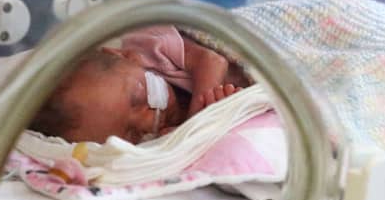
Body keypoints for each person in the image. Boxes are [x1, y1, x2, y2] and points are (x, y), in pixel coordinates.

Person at [29, 25, 253, 144]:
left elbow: (213, 60)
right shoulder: (162, 136)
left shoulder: (149, 43)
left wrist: (195, 121)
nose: (148, 122)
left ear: (123, 55)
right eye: (131, 134)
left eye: (137, 98)